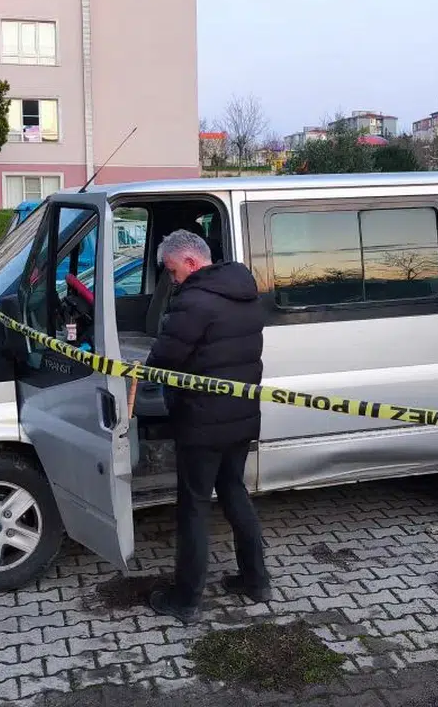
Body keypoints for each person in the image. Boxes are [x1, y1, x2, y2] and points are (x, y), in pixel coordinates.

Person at [144, 229, 269, 623]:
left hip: (201, 421)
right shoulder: (244, 291)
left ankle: (185, 600)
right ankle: (256, 581)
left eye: (173, 270)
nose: (172, 278)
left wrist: (146, 366)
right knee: (234, 491)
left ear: (191, 261)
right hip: (241, 417)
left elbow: (164, 358)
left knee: (194, 507)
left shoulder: (194, 300)